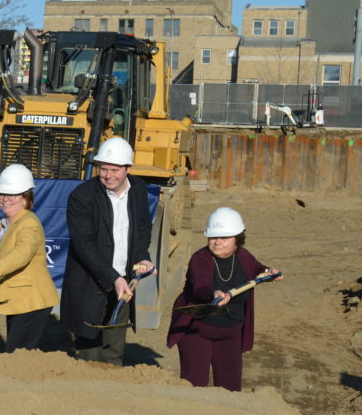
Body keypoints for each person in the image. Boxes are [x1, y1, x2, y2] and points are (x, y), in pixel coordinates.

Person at [59, 136, 155, 364]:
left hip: (124, 281)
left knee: (114, 350)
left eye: (114, 170)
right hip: (90, 283)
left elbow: (142, 228)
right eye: (103, 169)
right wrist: (113, 277)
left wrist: (143, 257)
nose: (108, 175)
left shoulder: (138, 190)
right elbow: (84, 244)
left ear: (128, 169)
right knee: (89, 354)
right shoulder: (82, 197)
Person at [167, 207, 281, 391]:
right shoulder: (200, 258)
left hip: (231, 334)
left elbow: (258, 270)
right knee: (194, 386)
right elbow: (200, 286)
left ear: (237, 240)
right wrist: (213, 294)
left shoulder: (243, 257)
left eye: (224, 238)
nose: (217, 242)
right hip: (197, 332)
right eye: (213, 237)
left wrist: (269, 272)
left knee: (231, 389)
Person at [0, 163, 58, 352]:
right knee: (16, 352)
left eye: (12, 195)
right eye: (2, 194)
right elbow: (4, 246)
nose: (5, 199)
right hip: (17, 300)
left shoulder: (29, 223)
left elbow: (22, 252)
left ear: (25, 199)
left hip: (31, 301)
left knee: (17, 353)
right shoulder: (5, 223)